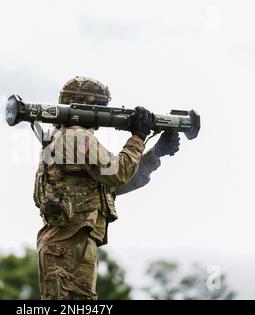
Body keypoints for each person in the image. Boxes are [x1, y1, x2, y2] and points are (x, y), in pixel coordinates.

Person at [33, 76, 180, 299]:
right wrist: (138, 136)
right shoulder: (75, 137)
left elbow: (108, 189)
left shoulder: (62, 138)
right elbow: (117, 173)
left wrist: (155, 154)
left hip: (70, 244)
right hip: (68, 246)